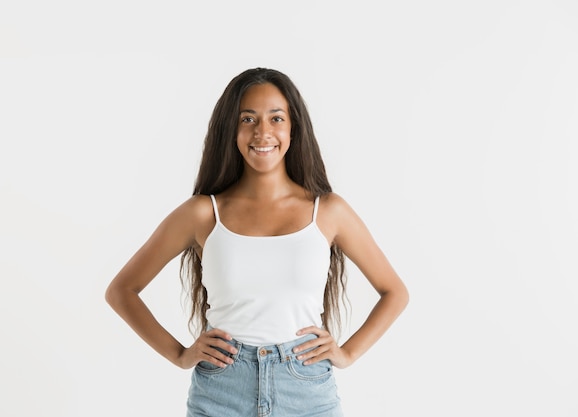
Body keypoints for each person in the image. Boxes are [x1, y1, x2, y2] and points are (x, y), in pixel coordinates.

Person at [105, 67, 409, 417]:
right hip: (222, 391)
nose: (263, 132)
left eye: (276, 118)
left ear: (294, 128)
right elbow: (122, 290)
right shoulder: (204, 213)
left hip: (306, 391)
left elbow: (394, 292)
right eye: (247, 119)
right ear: (231, 130)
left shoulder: (328, 212)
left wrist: (348, 353)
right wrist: (179, 355)